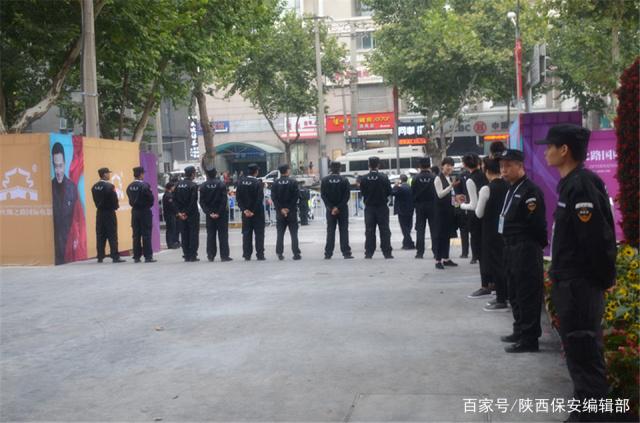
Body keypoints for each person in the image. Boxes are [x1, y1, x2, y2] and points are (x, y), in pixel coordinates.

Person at [537, 124, 616, 420]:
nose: (546, 152)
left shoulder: (581, 185)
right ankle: (583, 412)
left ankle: (593, 416)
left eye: (550, 146)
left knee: (584, 352)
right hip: (570, 284)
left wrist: (605, 279)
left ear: (564, 150)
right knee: (577, 352)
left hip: (580, 285)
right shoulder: (571, 183)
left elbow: (596, 239)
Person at [497, 149, 547, 353]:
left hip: (525, 248)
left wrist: (531, 246)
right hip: (510, 247)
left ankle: (529, 338)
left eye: (508, 166)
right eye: (502, 166)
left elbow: (536, 225)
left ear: (520, 166)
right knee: (514, 292)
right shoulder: (512, 188)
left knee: (527, 293)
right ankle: (519, 330)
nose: (504, 170)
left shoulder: (530, 191)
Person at [475, 158, 509, 311]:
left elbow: (479, 213)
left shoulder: (486, 189)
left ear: (487, 171)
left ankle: (501, 299)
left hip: (490, 230)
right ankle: (506, 295)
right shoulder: (508, 185)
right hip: (506, 229)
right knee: (505, 263)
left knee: (496, 264)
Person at [460, 153, 491, 298]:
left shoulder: (470, 180)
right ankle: (494, 283)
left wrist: (462, 205)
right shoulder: (486, 176)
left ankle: (485, 285)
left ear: (465, 165)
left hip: (476, 218)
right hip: (489, 217)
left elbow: (474, 204)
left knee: (480, 253)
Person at [359, 156, 393, 259]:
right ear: (378, 165)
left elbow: (362, 192)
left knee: (369, 230)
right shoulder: (384, 177)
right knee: (385, 230)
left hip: (369, 208)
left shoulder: (364, 178)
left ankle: (369, 252)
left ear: (368, 165)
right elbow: (389, 192)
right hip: (382, 207)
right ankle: (387, 252)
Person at [51, 142, 78, 265]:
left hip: (69, 249)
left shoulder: (72, 188)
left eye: (60, 166)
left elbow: (76, 218)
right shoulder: (49, 187)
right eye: (55, 166)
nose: (58, 171)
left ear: (65, 164)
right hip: (54, 250)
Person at [91, 167, 125, 263]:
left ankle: (100, 256)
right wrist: (115, 207)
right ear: (104, 174)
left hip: (99, 213)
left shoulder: (94, 187)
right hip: (109, 213)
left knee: (100, 234)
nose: (109, 175)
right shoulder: (110, 187)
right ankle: (115, 256)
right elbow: (114, 200)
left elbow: (95, 200)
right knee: (112, 234)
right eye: (108, 173)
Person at [320, 161, 353, 259]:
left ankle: (328, 253)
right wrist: (338, 207)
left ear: (330, 168)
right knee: (344, 230)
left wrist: (331, 207)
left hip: (330, 210)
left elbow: (323, 195)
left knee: (330, 230)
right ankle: (346, 253)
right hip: (342, 209)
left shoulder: (325, 180)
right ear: (340, 168)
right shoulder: (344, 180)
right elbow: (347, 196)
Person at [199, 167, 232, 262]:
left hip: (210, 215)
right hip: (221, 214)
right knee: (223, 235)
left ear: (207, 175)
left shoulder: (203, 186)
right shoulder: (221, 184)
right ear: (216, 174)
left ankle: (210, 255)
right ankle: (224, 256)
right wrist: (218, 212)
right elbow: (224, 200)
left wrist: (209, 213)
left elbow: (202, 202)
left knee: (210, 235)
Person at [433, 157, 459, 269]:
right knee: (440, 236)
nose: (449, 168)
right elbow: (440, 194)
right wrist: (451, 186)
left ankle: (446, 258)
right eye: (447, 165)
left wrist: (456, 200)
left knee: (447, 235)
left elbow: (450, 194)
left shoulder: (448, 178)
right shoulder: (438, 178)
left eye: (451, 166)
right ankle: (438, 260)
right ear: (442, 166)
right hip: (441, 212)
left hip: (449, 210)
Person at [271, 164, 301, 260]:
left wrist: (281, 209)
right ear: (287, 171)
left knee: (280, 233)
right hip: (291, 212)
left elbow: (274, 198)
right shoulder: (293, 182)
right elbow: (296, 196)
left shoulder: (275, 183)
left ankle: (279, 252)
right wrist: (288, 208)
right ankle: (296, 253)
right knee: (294, 233)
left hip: (280, 213)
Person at [126, 166, 156, 263]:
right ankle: (148, 256)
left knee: (136, 235)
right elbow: (151, 199)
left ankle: (136, 256)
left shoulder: (129, 186)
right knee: (146, 234)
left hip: (135, 212)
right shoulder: (145, 185)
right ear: (141, 174)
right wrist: (147, 205)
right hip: (144, 211)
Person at [236, 164, 265, 260]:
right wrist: (253, 211)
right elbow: (259, 199)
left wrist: (244, 210)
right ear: (256, 172)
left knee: (246, 233)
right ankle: (260, 254)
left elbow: (238, 198)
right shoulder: (258, 183)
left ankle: (247, 254)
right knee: (259, 234)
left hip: (245, 214)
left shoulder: (240, 182)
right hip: (257, 213)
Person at [412, 157, 437, 259]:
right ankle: (436, 251)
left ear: (420, 166)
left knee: (420, 229)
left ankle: (420, 252)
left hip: (420, 206)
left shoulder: (415, 178)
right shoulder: (434, 177)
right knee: (434, 229)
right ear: (429, 165)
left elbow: (412, 193)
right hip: (433, 205)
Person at [174, 166, 200, 262]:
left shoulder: (177, 185)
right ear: (192, 174)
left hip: (181, 215)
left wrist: (179, 213)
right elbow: (193, 201)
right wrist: (186, 212)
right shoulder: (193, 185)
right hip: (192, 214)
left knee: (184, 234)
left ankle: (186, 254)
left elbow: (174, 200)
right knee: (193, 234)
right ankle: (193, 255)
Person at [392, 174, 415, 249]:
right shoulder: (410, 187)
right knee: (408, 227)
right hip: (410, 209)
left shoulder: (400, 188)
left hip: (402, 210)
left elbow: (392, 193)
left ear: (400, 180)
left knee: (404, 228)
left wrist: (395, 185)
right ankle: (405, 243)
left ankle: (410, 244)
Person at [454, 167, 471, 259]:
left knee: (463, 231)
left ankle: (465, 252)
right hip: (473, 206)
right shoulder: (473, 176)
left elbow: (456, 195)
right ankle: (475, 255)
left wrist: (456, 209)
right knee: (474, 232)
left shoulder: (458, 177)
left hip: (462, 206)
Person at [162, 182, 181, 249]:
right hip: (169, 215)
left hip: (171, 214)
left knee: (173, 229)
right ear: (171, 187)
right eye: (173, 187)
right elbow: (172, 205)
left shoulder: (169, 194)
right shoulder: (168, 195)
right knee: (170, 230)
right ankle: (170, 244)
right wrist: (178, 212)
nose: (174, 188)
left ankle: (173, 242)